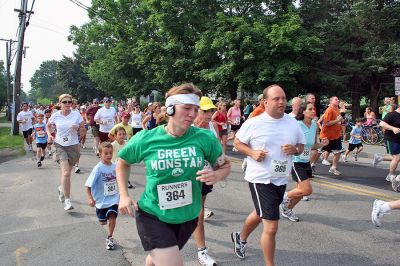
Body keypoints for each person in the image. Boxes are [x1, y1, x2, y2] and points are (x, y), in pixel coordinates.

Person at [116, 83, 230, 266]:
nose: (192, 114)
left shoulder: (205, 138)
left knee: (158, 257)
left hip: (188, 216)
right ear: (170, 108)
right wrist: (123, 195)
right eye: (186, 108)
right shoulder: (146, 139)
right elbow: (122, 163)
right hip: (152, 214)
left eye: (195, 109)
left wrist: (217, 175)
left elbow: (225, 166)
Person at [231, 84, 305, 265]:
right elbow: (238, 142)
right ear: (265, 102)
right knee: (271, 226)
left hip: (280, 177)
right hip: (260, 178)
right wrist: (252, 153)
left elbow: (301, 146)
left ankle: (240, 238)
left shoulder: (292, 122)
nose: (281, 102)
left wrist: (294, 149)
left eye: (283, 98)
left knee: (260, 212)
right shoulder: (254, 122)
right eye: (276, 99)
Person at [280, 102, 328, 222]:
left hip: (306, 161)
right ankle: (283, 197)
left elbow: (313, 145)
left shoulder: (314, 126)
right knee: (307, 190)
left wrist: (322, 144)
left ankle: (287, 209)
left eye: (314, 109)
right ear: (303, 112)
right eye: (310, 109)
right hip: (296, 161)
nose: (313, 111)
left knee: (301, 192)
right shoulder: (296, 125)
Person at [192, 96, 220, 266]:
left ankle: (201, 252)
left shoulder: (212, 127)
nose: (209, 114)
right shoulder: (188, 128)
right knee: (197, 213)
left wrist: (217, 169)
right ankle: (201, 250)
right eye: (205, 111)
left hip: (205, 175)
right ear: (196, 111)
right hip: (187, 177)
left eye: (211, 110)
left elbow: (217, 153)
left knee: (199, 212)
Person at [47, 94, 86, 211]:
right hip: (60, 145)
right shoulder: (56, 115)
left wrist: (78, 129)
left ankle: (61, 188)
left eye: (70, 102)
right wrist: (49, 135)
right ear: (60, 104)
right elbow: (48, 125)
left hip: (73, 146)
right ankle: (67, 201)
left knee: (68, 172)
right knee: (66, 173)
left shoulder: (76, 114)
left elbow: (84, 130)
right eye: (65, 102)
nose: (68, 104)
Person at [85, 142, 119, 250]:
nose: (109, 155)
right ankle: (103, 220)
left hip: (113, 199)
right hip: (100, 201)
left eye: (110, 153)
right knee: (102, 222)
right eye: (106, 153)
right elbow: (88, 185)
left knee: (112, 215)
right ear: (99, 154)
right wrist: (90, 198)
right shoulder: (98, 169)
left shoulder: (115, 166)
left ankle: (110, 237)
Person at [373, 105, 400, 188]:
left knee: (397, 157)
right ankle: (390, 175)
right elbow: (381, 123)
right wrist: (393, 128)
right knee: (397, 157)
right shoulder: (392, 115)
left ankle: (379, 158)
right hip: (391, 139)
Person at [319, 96, 344, 175]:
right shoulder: (329, 110)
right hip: (327, 136)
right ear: (331, 101)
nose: (338, 100)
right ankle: (311, 165)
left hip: (336, 136)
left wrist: (341, 119)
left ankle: (333, 168)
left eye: (338, 99)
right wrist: (338, 120)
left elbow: (340, 121)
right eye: (336, 99)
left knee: (338, 151)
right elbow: (327, 123)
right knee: (318, 152)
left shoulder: (337, 110)